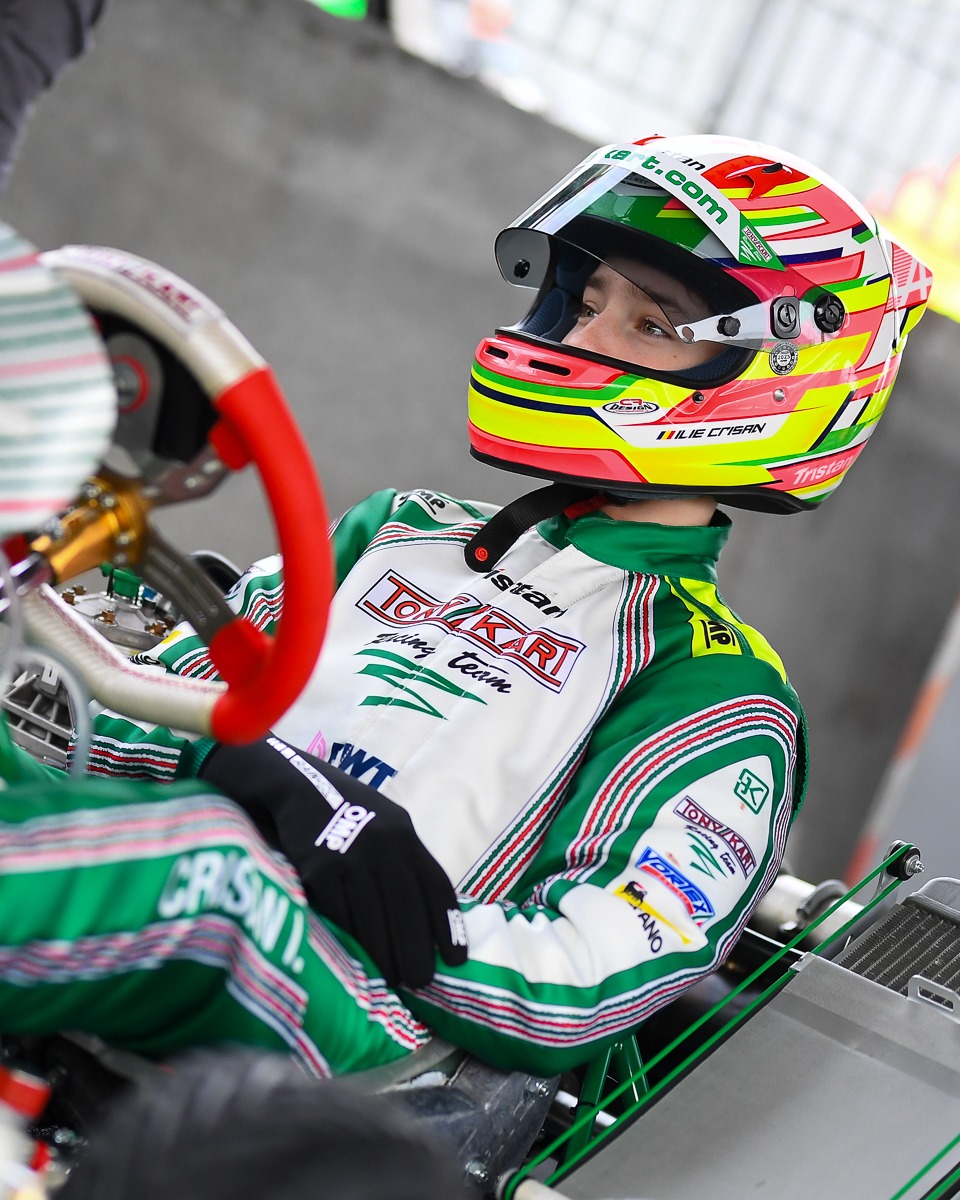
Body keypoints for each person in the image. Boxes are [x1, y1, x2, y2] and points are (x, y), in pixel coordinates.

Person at [0, 134, 931, 1083]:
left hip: (367, 1040)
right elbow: (131, 712)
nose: (580, 339)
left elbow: (583, 980)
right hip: (152, 870)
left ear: (775, 379)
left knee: (213, 876)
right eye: (587, 304)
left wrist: (367, 885)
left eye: (650, 324)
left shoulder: (712, 687)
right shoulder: (402, 528)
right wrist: (262, 778)